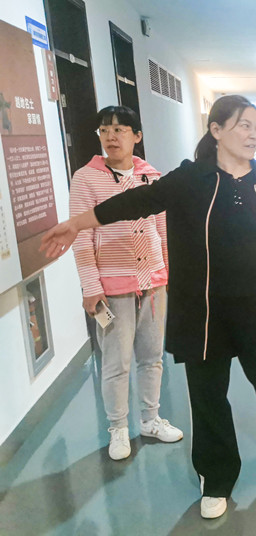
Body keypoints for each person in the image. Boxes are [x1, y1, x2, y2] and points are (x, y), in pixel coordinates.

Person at [41, 95, 256, 520]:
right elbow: (133, 203)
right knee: (207, 396)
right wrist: (76, 223)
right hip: (204, 312)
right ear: (216, 130)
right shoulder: (190, 178)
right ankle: (216, 477)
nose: (255, 134)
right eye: (244, 125)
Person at [70, 106, 183, 461]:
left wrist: (170, 273)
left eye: (119, 130)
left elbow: (162, 227)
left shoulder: (151, 175)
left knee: (152, 357)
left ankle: (150, 419)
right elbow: (80, 235)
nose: (111, 137)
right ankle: (118, 428)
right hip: (112, 286)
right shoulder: (86, 178)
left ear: (136, 136)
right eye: (104, 130)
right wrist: (91, 286)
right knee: (116, 363)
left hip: (153, 282)